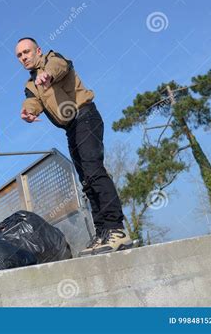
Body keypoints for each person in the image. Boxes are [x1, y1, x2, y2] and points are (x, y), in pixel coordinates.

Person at [15, 37, 133, 256]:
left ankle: (117, 229)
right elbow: (33, 100)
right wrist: (28, 111)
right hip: (71, 127)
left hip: (85, 117)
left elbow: (59, 67)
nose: (24, 57)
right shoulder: (30, 85)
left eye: (27, 52)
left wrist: (47, 74)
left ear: (37, 50)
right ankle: (103, 233)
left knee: (94, 172)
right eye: (19, 55)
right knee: (86, 180)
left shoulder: (53, 59)